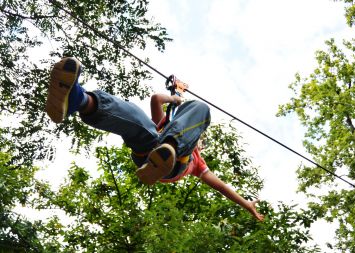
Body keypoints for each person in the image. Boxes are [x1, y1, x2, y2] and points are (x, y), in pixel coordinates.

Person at [45, 57, 264, 221]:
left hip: (171, 165)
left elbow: (222, 187)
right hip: (148, 149)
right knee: (135, 117)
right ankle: (78, 99)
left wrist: (246, 204)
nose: (199, 141)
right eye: (199, 139)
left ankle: (170, 150)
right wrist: (175, 99)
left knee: (201, 109)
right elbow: (156, 99)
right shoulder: (162, 126)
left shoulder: (197, 163)